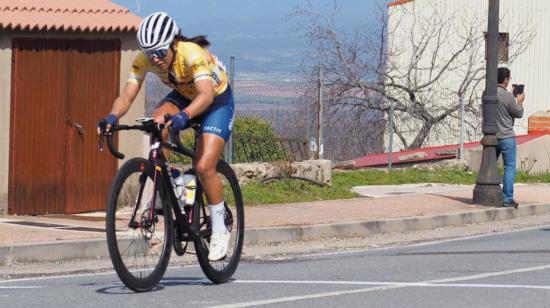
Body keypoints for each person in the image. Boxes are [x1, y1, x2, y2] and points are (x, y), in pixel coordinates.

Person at [98, 12, 234, 261]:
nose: (155, 59)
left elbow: (205, 96)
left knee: (204, 166)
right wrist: (111, 117)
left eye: (160, 52)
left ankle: (219, 229)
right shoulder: (144, 59)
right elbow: (127, 95)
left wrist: (184, 116)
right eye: (150, 53)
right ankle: (171, 180)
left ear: (173, 44)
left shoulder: (191, 54)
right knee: (157, 120)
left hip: (216, 101)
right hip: (184, 95)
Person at [496, 67, 525, 208]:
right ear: (506, 80)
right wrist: (519, 100)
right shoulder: (508, 97)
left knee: (491, 165)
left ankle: (493, 192)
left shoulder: (487, 93)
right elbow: (518, 113)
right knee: (509, 167)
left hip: (492, 136)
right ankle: (507, 198)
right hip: (506, 136)